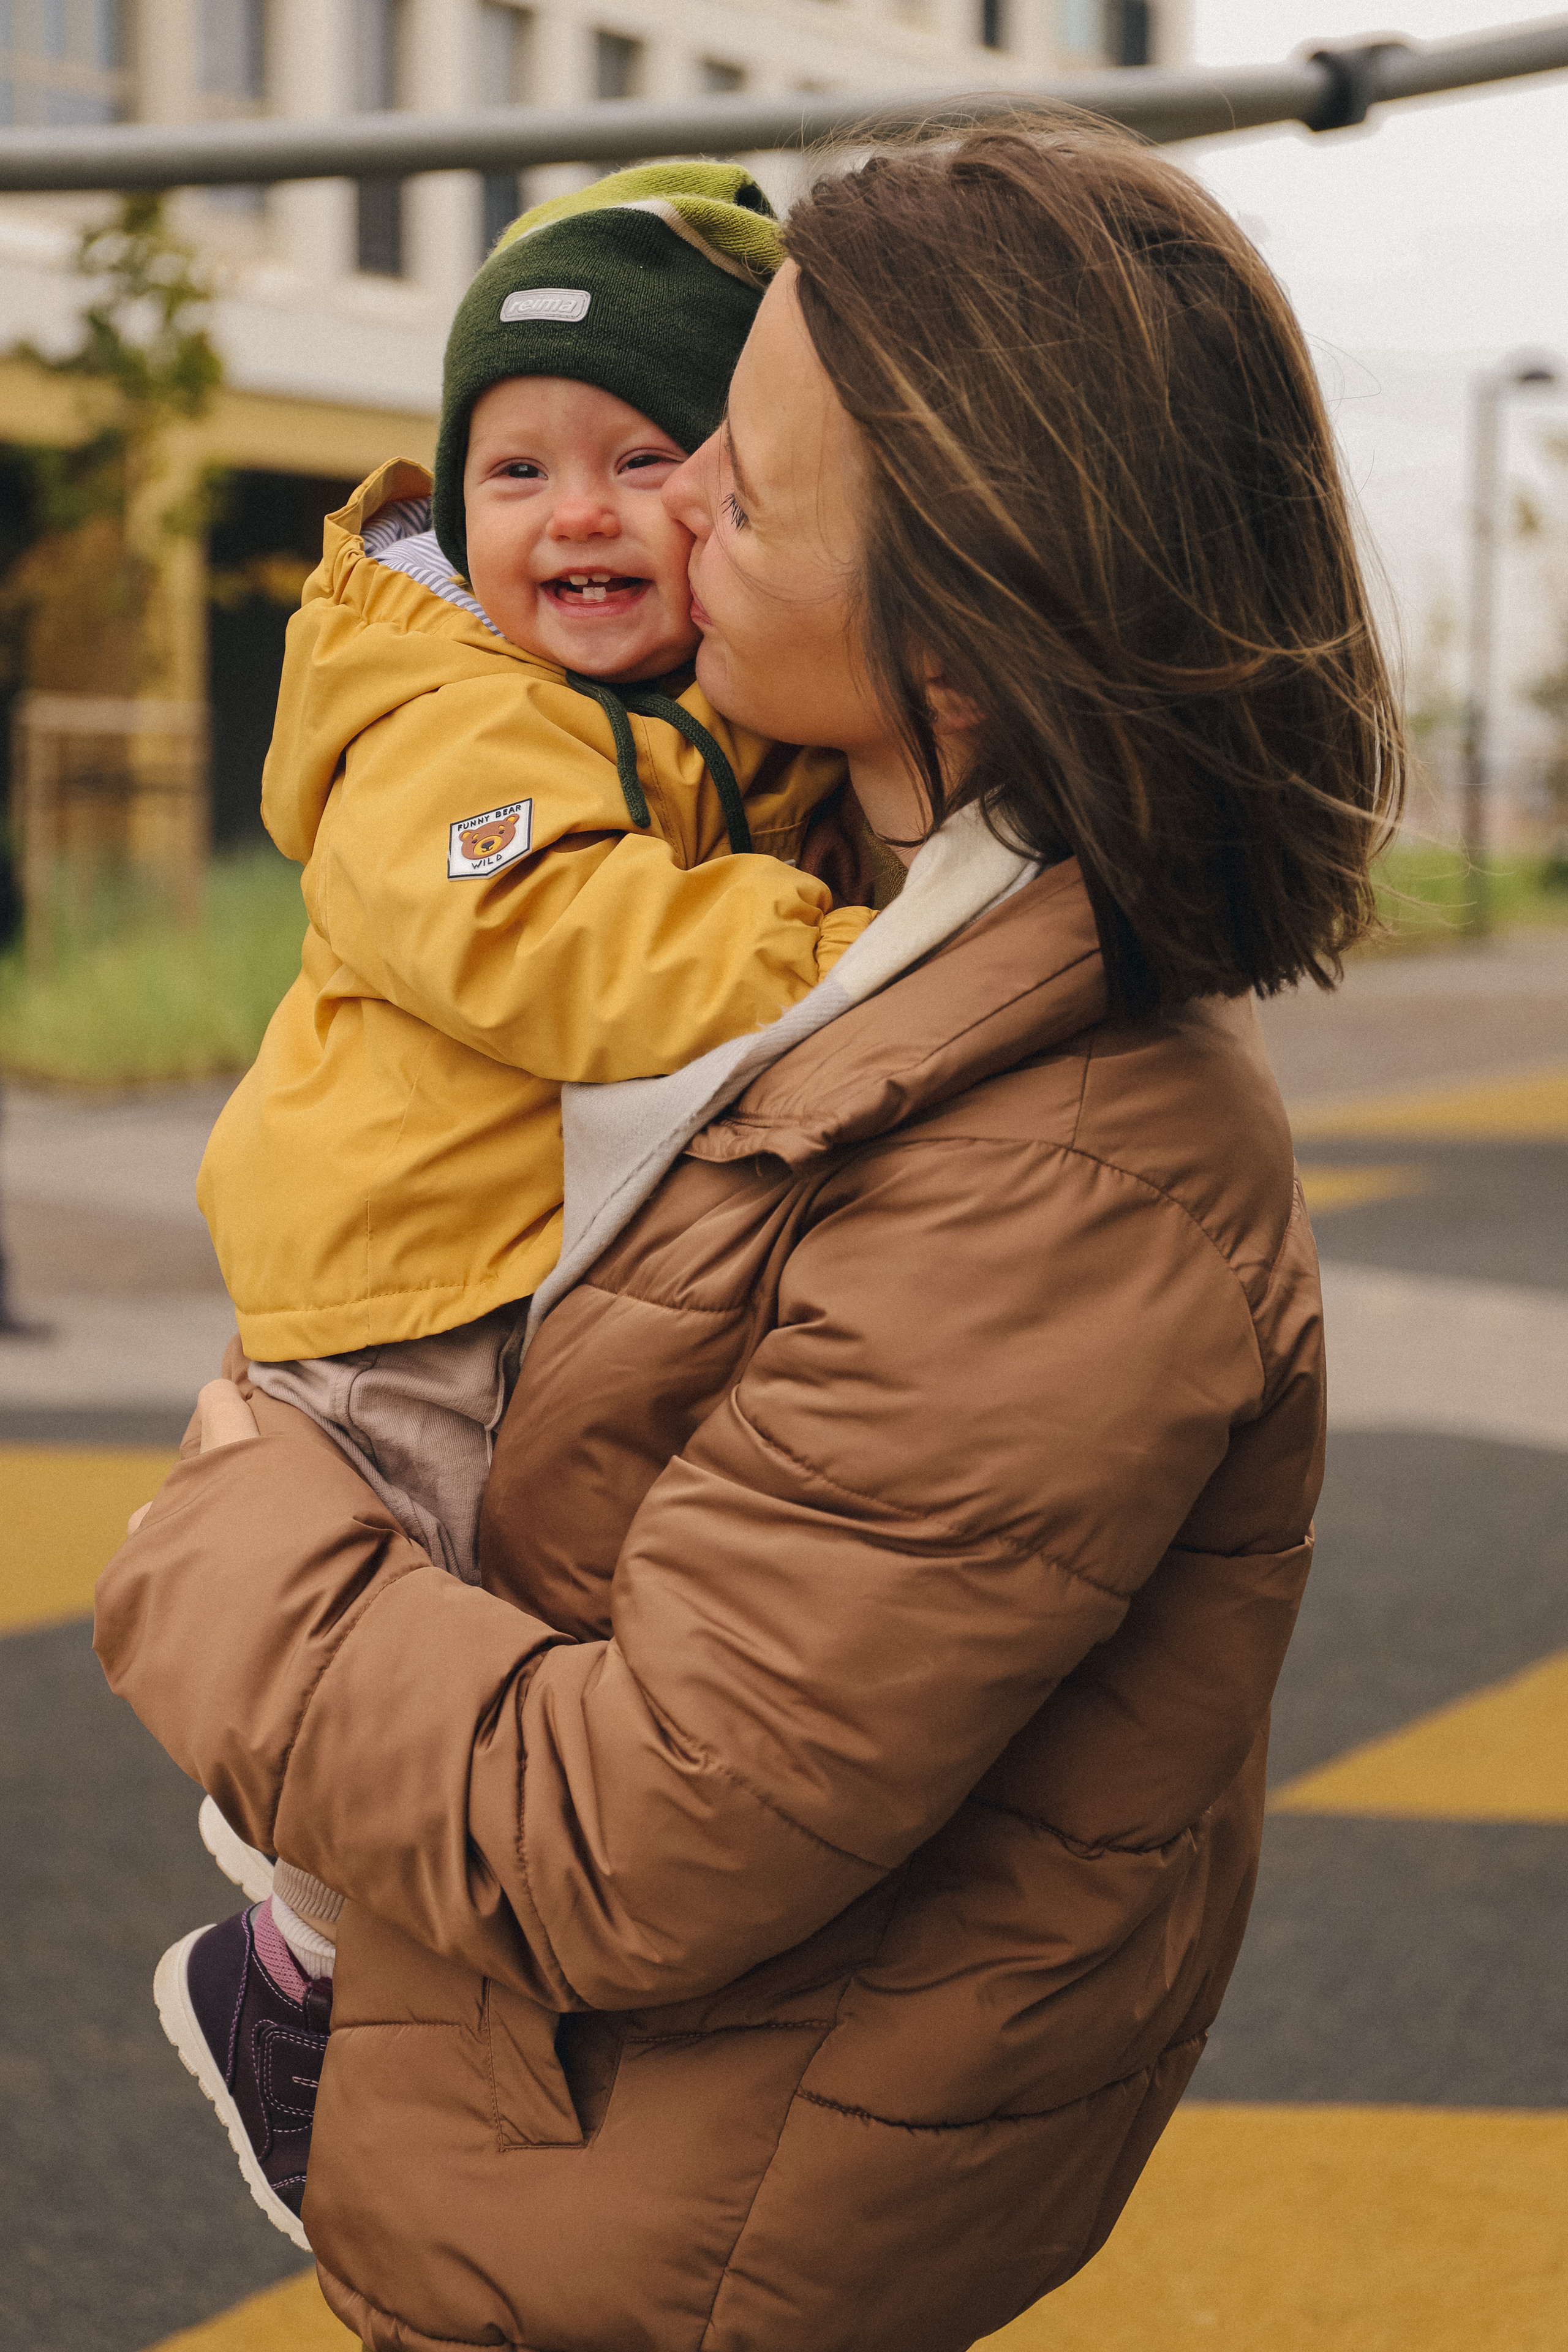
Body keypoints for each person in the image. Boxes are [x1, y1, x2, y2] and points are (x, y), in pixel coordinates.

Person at [97, 113, 1403, 2352]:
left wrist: (228, 1530)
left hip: (672, 2243)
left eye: (737, 471)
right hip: (603, 2170)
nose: (663, 505)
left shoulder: (1071, 1177)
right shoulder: (902, 944)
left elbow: (633, 1833)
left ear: (967, 610)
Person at [157, 156, 878, 2226]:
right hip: (399, 1298)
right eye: (515, 466)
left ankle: (348, 1956)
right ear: (452, 509)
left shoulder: (687, 725)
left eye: (645, 457)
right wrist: (849, 960)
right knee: (430, 1652)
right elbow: (553, 941)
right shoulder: (451, 720)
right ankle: (283, 1965)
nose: (572, 511)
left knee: (524, 1655)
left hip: (519, 1274)